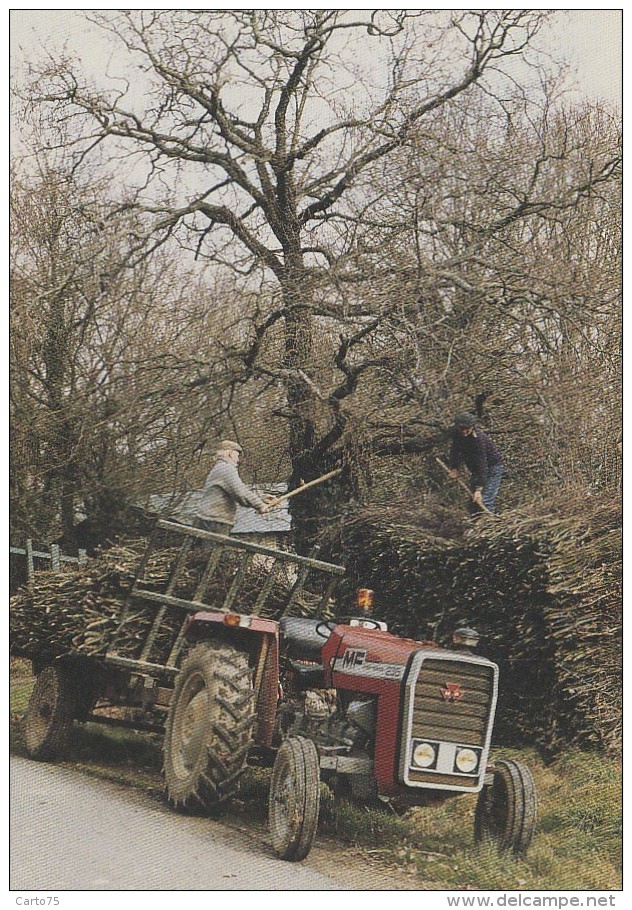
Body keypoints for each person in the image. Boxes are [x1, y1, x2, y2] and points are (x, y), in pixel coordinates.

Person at [194, 440, 274, 534]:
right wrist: (260, 505)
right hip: (213, 522)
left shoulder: (220, 468)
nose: (238, 460)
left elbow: (237, 489)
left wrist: (261, 498)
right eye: (237, 456)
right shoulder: (226, 469)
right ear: (231, 454)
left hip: (209, 519)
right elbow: (240, 492)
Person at [447, 412, 504, 514]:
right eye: (461, 428)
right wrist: (454, 468)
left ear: (472, 427)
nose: (464, 431)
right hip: (476, 470)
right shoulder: (456, 434)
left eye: (467, 428)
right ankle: (474, 522)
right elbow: (455, 451)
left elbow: (482, 465)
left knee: (484, 502)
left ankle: (489, 522)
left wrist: (479, 489)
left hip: (491, 469)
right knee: (473, 504)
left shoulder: (478, 440)